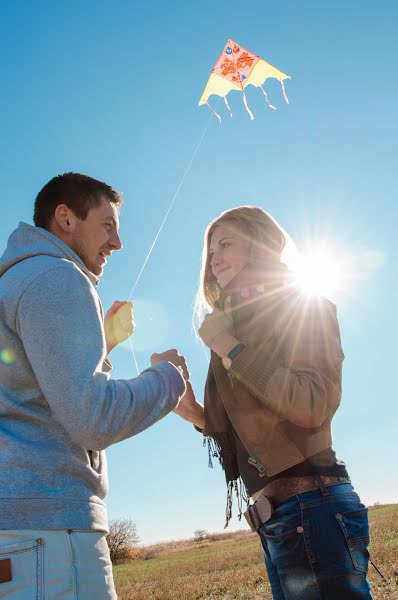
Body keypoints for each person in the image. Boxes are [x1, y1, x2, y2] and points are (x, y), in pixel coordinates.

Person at [0, 172, 195, 599]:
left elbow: (33, 396)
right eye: (107, 226)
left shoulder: (13, 281)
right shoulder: (58, 277)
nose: (118, 244)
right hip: (50, 535)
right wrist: (169, 378)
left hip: (20, 533)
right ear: (65, 218)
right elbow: (93, 418)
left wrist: (101, 344)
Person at [182, 206, 372, 599]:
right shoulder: (230, 324)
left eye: (226, 244)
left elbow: (312, 403)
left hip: (313, 509)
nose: (213, 257)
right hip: (281, 520)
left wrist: (230, 348)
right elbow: (248, 433)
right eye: (210, 250)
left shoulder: (304, 306)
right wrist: (188, 409)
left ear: (259, 246)